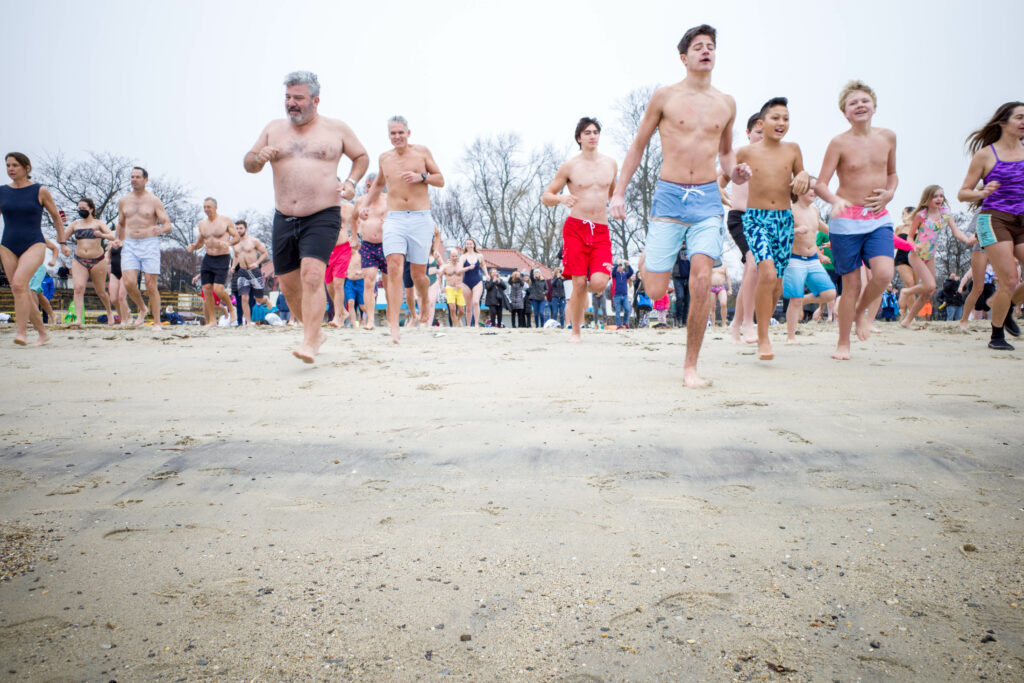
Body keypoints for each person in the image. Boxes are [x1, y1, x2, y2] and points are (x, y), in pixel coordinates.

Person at [610, 25, 751, 387]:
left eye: (711, 46)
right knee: (656, 290)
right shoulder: (664, 97)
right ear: (684, 57)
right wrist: (619, 193)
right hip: (669, 196)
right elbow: (638, 146)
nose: (706, 51)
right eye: (698, 46)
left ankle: (691, 366)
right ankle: (648, 262)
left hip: (706, 198)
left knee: (702, 279)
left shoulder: (727, 103)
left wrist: (733, 170)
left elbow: (724, 152)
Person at [244, 70, 369, 361]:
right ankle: (314, 331)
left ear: (315, 100)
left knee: (312, 274)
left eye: (298, 98)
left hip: (323, 213)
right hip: (284, 215)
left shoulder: (336, 129)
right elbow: (248, 163)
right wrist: (257, 159)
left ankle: (310, 341)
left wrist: (350, 182)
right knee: (288, 284)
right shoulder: (273, 129)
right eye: (287, 97)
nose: (291, 103)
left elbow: (361, 156)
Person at [814, 80, 898, 360]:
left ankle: (862, 311)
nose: (860, 105)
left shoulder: (888, 137)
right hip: (845, 221)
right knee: (851, 285)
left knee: (884, 273)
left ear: (874, 106)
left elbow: (892, 174)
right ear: (845, 113)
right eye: (853, 103)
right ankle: (843, 343)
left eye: (864, 101)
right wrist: (835, 200)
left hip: (877, 216)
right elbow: (821, 184)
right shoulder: (839, 142)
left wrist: (890, 193)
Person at [737, 96, 810, 360]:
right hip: (756, 218)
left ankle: (765, 325)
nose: (781, 122)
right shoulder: (746, 152)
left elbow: (798, 184)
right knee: (765, 273)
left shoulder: (793, 149)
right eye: (775, 117)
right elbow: (725, 177)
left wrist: (803, 175)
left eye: (786, 118)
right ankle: (763, 339)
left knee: (777, 286)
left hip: (783, 219)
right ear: (762, 122)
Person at [361, 116, 444, 343]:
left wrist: (421, 177)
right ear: (389, 135)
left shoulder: (421, 152)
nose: (397, 136)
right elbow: (378, 184)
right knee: (394, 266)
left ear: (409, 133)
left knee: (419, 275)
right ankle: (393, 326)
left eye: (401, 132)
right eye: (393, 133)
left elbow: (440, 179)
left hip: (420, 217)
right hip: (395, 218)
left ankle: (425, 300)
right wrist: (366, 205)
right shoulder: (384, 158)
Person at [541, 117, 617, 341]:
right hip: (576, 228)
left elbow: (613, 193)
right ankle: (575, 331)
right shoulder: (570, 166)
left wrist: (617, 204)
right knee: (579, 282)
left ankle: (584, 297)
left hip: (601, 229)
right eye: (587, 133)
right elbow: (546, 196)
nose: (592, 136)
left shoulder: (611, 164)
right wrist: (562, 198)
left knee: (598, 282)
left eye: (595, 132)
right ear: (579, 138)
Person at [957, 101, 1024, 350]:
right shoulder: (987, 154)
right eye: (1019, 117)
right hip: (994, 218)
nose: (1023, 122)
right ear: (1003, 122)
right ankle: (997, 336)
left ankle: (1003, 308)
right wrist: (982, 192)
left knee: (1010, 287)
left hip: (1022, 218)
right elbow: (962, 193)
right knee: (1008, 279)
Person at [0, 152, 67, 346]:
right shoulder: (2, 191)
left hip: (34, 243)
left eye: (15, 165)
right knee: (19, 290)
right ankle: (42, 332)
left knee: (21, 285)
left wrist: (62, 242)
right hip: (7, 245)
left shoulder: (40, 190)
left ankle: (21, 333)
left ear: (26, 168)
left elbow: (56, 216)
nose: (10, 169)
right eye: (7, 165)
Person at [899, 185, 975, 327]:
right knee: (931, 285)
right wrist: (914, 246)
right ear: (927, 199)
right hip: (916, 255)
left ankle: (907, 321)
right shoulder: (920, 215)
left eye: (941, 195)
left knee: (930, 291)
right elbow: (910, 237)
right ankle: (906, 291)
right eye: (935, 196)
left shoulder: (945, 213)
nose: (939, 198)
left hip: (930, 256)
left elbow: (956, 232)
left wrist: (968, 240)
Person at [722, 112, 764, 344]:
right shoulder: (740, 153)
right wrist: (720, 191)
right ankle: (748, 322)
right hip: (740, 217)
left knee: (752, 271)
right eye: (758, 132)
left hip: (762, 219)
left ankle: (736, 324)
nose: (762, 137)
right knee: (754, 265)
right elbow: (721, 178)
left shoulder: (774, 159)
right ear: (749, 133)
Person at [116, 166, 174, 330]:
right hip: (130, 243)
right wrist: (116, 240)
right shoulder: (123, 201)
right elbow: (120, 224)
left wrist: (161, 229)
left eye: (138, 177)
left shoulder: (154, 200)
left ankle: (156, 322)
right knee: (129, 283)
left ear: (146, 180)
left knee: (150, 284)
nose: (134, 179)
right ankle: (142, 307)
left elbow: (167, 224)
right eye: (132, 177)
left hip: (149, 243)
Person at [785, 184, 836, 343]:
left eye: (815, 189)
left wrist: (836, 234)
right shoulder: (790, 210)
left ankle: (805, 300)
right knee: (794, 298)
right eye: (810, 189)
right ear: (798, 192)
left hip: (813, 258)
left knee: (830, 294)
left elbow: (820, 225)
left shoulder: (814, 210)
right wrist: (796, 231)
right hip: (795, 258)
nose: (814, 192)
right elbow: (779, 233)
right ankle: (791, 337)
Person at [186, 197, 239, 326]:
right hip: (208, 258)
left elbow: (236, 237)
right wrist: (193, 247)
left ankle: (231, 309)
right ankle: (212, 321)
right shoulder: (202, 224)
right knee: (206, 288)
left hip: (222, 257)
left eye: (208, 207)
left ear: (216, 207)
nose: (206, 209)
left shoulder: (225, 221)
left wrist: (228, 243)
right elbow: (199, 243)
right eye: (204, 207)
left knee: (218, 289)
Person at [67, 198, 116, 327]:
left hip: (97, 260)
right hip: (79, 259)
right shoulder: (75, 224)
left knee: (100, 291)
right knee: (78, 288)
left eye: (84, 208)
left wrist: (101, 235)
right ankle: (78, 319)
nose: (81, 211)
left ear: (91, 209)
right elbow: (61, 237)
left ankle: (109, 312)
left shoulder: (98, 223)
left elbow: (112, 236)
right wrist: (61, 230)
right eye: (79, 209)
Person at [354, 174, 388, 330]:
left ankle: (391, 318)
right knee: (369, 281)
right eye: (367, 186)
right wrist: (354, 237)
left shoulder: (388, 199)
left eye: (372, 185)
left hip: (387, 244)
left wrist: (389, 222)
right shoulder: (361, 201)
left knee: (389, 284)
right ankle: (370, 320)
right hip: (368, 245)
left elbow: (400, 218)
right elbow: (353, 218)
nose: (369, 189)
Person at [230, 219, 271, 326]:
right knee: (244, 297)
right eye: (237, 228)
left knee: (258, 298)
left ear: (246, 229)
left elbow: (264, 253)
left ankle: (265, 299)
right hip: (242, 272)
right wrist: (233, 266)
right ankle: (248, 322)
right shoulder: (235, 243)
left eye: (241, 228)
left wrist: (257, 262)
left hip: (254, 272)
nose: (238, 230)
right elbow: (235, 256)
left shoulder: (253, 241)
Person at [326, 198, 357, 328]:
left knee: (338, 284)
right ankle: (343, 312)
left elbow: (357, 221)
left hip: (343, 248)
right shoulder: (322, 207)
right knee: (330, 286)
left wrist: (356, 236)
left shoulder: (348, 207)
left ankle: (337, 317)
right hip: (327, 249)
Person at [893, 206, 918, 314]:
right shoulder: (900, 228)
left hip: (916, 260)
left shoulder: (919, 228)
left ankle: (905, 313)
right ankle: (912, 316)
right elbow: (892, 244)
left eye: (904, 213)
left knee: (913, 288)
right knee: (910, 283)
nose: (902, 216)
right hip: (901, 259)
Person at [459, 237, 487, 328]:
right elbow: (459, 269)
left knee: (475, 302)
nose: (469, 245)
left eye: (470, 244)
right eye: (467, 244)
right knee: (468, 306)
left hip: (477, 281)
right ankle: (468, 325)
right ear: (465, 245)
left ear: (474, 245)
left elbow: (483, 265)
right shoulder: (463, 256)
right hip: (466, 283)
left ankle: (475, 324)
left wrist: (487, 274)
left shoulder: (479, 256)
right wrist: (467, 268)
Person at [105, 238, 129, 326]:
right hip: (114, 272)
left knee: (121, 297)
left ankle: (125, 319)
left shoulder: (127, 241)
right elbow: (108, 260)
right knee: (114, 299)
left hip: (125, 271)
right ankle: (124, 315)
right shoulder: (111, 243)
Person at [440, 249, 465, 327]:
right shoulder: (446, 267)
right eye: (453, 256)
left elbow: (463, 277)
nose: (455, 257)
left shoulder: (460, 266)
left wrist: (460, 284)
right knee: (452, 309)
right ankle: (455, 325)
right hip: (449, 288)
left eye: (456, 256)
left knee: (461, 310)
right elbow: (439, 277)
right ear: (450, 257)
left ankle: (457, 320)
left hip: (458, 290)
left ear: (458, 256)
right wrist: (441, 286)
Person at [344, 235, 364, 327]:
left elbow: (367, 267)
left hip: (360, 281)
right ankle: (353, 323)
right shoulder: (345, 255)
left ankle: (364, 321)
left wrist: (361, 271)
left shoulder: (360, 254)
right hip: (349, 282)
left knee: (362, 306)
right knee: (350, 302)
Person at [611, 258, 633, 328]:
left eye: (621, 266)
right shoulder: (615, 274)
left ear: (622, 267)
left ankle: (625, 323)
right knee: (617, 311)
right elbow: (613, 272)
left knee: (627, 309)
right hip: (617, 296)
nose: (619, 267)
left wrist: (628, 265)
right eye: (618, 266)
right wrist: (617, 263)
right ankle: (618, 325)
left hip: (625, 296)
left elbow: (631, 272)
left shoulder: (625, 275)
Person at [671, 247, 690, 326]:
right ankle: (678, 318)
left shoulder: (691, 250)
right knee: (680, 297)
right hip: (678, 278)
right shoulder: (675, 250)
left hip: (689, 278)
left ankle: (684, 321)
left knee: (687, 300)